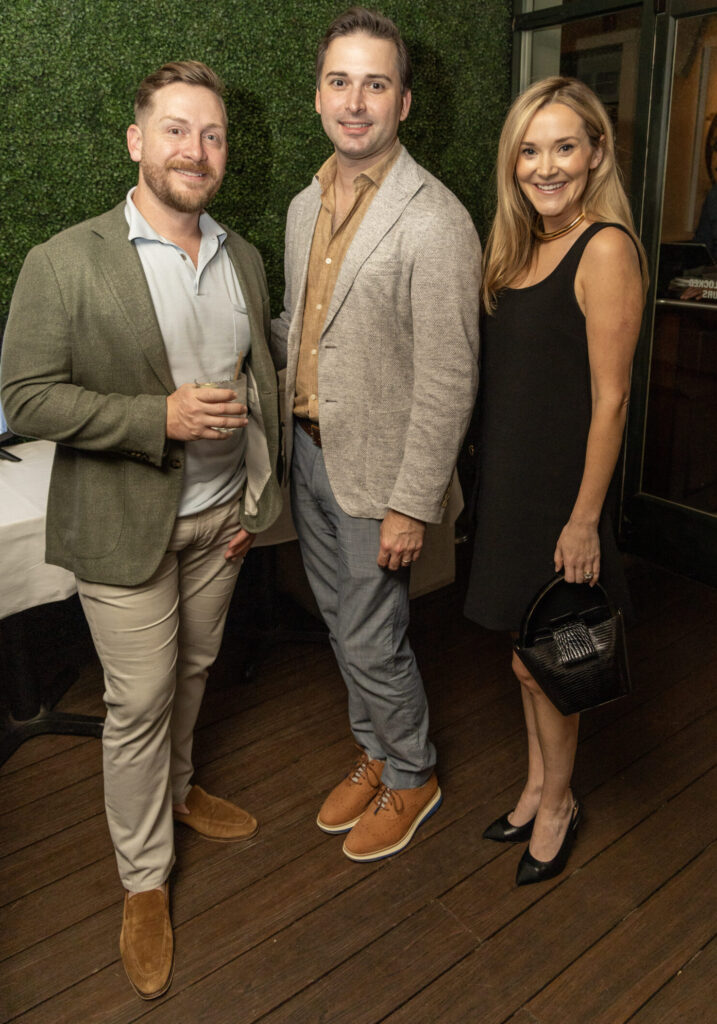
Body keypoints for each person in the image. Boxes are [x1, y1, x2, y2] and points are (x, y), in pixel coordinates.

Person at [0, 61, 281, 998]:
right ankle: (143, 878)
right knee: (141, 700)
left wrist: (253, 502)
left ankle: (182, 786)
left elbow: (260, 392)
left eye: (210, 135)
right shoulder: (65, 260)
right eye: (174, 130)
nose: (193, 150)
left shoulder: (242, 257)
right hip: (123, 529)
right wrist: (153, 418)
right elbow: (25, 397)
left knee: (195, 672)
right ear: (136, 142)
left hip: (216, 527)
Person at [271, 7, 481, 863]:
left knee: (371, 633)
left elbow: (448, 377)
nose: (355, 101)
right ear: (318, 93)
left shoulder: (435, 219)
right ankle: (379, 749)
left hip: (381, 480)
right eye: (339, 80)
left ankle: (413, 775)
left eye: (375, 83)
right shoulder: (300, 205)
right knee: (341, 624)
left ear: (404, 101)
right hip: (310, 458)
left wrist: (411, 503)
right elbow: (303, 330)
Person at [464, 76, 647, 886]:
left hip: (561, 498)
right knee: (521, 652)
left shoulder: (603, 246)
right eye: (528, 150)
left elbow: (610, 402)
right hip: (510, 488)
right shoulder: (515, 246)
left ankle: (560, 801)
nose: (544, 167)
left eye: (563, 146)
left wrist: (582, 520)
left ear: (595, 152)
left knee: (551, 659)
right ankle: (537, 784)